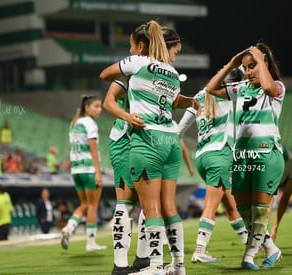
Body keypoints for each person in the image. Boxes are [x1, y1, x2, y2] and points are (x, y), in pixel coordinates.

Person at [100, 20, 199, 275]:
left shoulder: (154, 70)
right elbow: (109, 102)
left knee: (148, 204)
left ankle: (145, 260)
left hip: (147, 138)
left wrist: (190, 100)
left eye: (132, 47)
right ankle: (120, 266)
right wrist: (126, 116)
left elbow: (171, 100)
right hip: (125, 139)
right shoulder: (132, 69)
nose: (176, 56)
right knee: (127, 203)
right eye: (175, 51)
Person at [205, 42, 285, 270]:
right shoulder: (240, 89)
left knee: (259, 212)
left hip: (266, 154)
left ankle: (249, 256)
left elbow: (269, 88)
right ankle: (272, 249)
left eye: (252, 66)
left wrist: (261, 61)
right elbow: (211, 89)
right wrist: (231, 63)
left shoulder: (277, 87)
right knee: (245, 213)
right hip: (241, 156)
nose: (248, 72)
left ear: (264, 64)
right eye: (246, 68)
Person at [177, 67, 248, 264]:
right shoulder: (227, 92)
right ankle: (200, 249)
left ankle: (250, 244)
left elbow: (178, 132)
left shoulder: (197, 98)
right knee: (210, 206)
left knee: (231, 206)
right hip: (220, 154)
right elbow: (249, 87)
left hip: (202, 157)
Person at [60, 94, 107, 252]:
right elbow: (93, 150)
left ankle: (69, 228)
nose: (99, 110)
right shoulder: (90, 123)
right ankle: (91, 243)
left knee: (84, 205)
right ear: (87, 108)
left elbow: (70, 147)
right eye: (96, 106)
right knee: (93, 205)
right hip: (89, 170)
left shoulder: (74, 123)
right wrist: (98, 173)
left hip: (76, 169)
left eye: (100, 106)